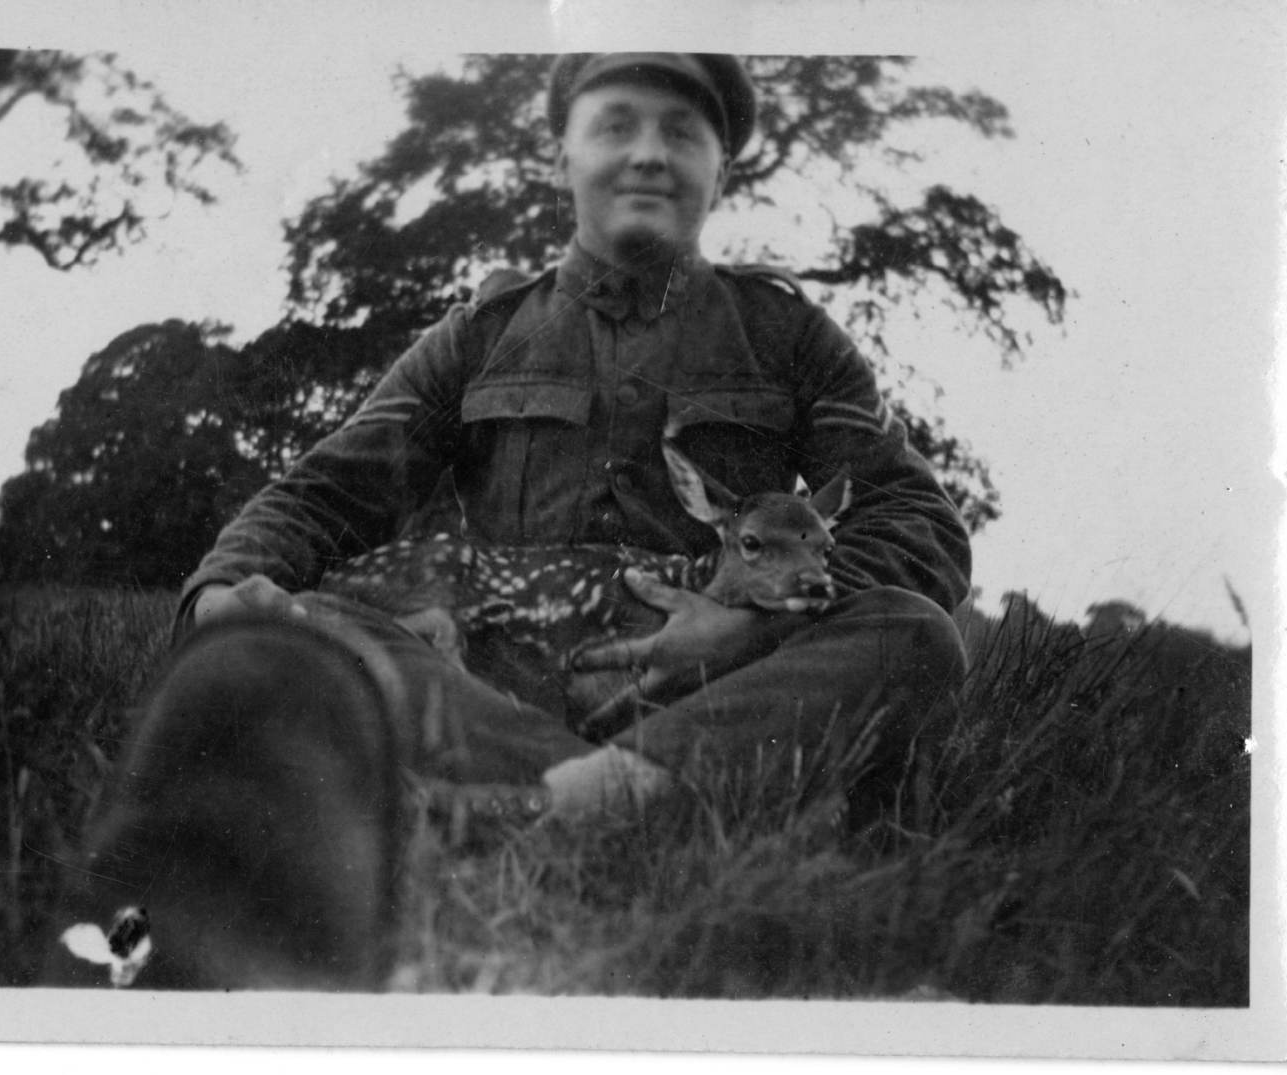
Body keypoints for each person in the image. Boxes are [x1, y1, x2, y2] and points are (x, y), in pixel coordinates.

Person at [47, 53, 970, 991]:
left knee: (915, 633)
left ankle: (513, 814)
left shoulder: (787, 335)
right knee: (291, 627)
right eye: (616, 125)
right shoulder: (483, 334)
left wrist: (752, 628)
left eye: (682, 132)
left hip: (723, 702)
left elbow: (913, 517)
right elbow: (321, 493)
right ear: (562, 156)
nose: (649, 155)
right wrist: (221, 596)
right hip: (497, 697)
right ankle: (605, 801)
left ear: (719, 169)